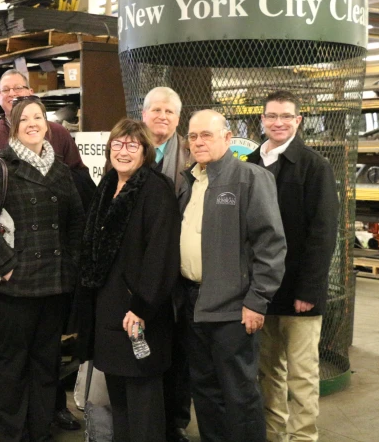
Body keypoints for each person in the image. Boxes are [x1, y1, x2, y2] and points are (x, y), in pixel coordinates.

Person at [0, 97, 85, 442]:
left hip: (54, 285)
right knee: (13, 365)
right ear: (14, 126)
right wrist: (5, 264)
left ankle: (41, 430)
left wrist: (71, 263)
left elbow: (76, 220)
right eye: (25, 119)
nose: (33, 123)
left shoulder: (60, 170)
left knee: (47, 365)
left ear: (47, 125)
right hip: (15, 288)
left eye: (38, 117)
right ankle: (14, 433)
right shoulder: (2, 166)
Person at [177, 109, 286, 442]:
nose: (198, 142)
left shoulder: (249, 178)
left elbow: (271, 245)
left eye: (206, 135)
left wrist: (257, 301)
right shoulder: (189, 181)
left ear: (227, 137)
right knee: (205, 391)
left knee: (239, 393)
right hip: (194, 303)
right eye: (193, 136)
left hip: (234, 309)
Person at [78, 118, 181, 442]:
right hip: (108, 313)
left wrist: (141, 306)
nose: (123, 151)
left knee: (143, 401)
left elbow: (161, 254)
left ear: (145, 151)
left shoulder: (155, 189)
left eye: (132, 145)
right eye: (118, 144)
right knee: (118, 398)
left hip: (138, 313)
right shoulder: (108, 184)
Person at [247, 91, 339, 442]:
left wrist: (309, 291)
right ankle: (274, 434)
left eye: (286, 116)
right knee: (269, 372)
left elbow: (323, 234)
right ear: (262, 120)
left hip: (299, 292)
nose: (278, 122)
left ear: (298, 121)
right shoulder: (251, 163)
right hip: (262, 292)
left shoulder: (314, 166)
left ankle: (302, 437)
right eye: (272, 116)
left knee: (301, 374)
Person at [141, 86, 193, 442]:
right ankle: (145, 419)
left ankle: (174, 422)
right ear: (143, 113)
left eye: (169, 112)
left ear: (178, 118)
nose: (162, 117)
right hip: (140, 266)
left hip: (180, 268)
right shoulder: (130, 148)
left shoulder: (192, 155)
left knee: (179, 350)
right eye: (156, 110)